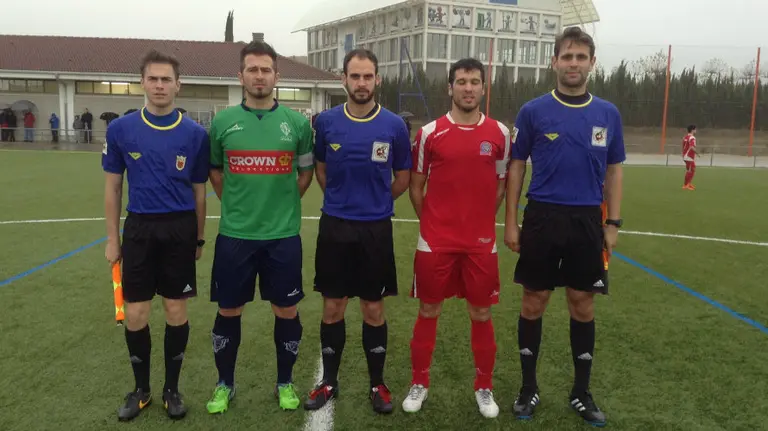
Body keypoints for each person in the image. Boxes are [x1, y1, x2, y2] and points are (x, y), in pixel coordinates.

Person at [503, 26, 625, 427]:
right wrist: (511, 221)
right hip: (542, 217)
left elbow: (614, 169)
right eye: (567, 56)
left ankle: (581, 391)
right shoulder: (533, 111)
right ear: (554, 62)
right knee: (533, 301)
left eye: (581, 57)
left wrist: (613, 223)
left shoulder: (607, 114)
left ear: (592, 63)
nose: (574, 64)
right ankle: (528, 388)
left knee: (582, 302)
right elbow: (516, 166)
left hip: (587, 220)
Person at [205, 40, 315, 414]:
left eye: (266, 69)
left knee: (286, 310)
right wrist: (236, 204)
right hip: (235, 235)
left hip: (282, 237)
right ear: (241, 76)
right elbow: (216, 171)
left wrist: (282, 203)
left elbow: (305, 173)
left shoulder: (297, 125)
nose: (259, 76)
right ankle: (225, 384)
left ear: (276, 76)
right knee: (228, 310)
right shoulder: (222, 123)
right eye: (252, 69)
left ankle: (285, 383)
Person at [102, 49, 209, 422]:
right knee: (136, 313)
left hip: (180, 229)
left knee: (176, 309)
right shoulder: (121, 129)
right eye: (153, 78)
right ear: (142, 83)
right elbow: (113, 187)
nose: (160, 85)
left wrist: (199, 238)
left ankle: (171, 389)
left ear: (178, 85)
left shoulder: (195, 134)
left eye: (166, 79)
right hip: (139, 229)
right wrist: (112, 239)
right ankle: (141, 389)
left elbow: (199, 192)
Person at [304, 48, 411, 414]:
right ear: (344, 80)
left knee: (373, 308)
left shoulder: (394, 125)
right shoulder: (326, 122)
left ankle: (377, 383)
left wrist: (376, 201)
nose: (362, 83)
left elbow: (403, 177)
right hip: (335, 226)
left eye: (368, 76)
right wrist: (342, 200)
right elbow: (321, 170)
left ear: (377, 79)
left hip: (375, 230)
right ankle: (329, 381)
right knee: (333, 306)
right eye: (355, 76)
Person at [402, 58, 510, 418]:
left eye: (474, 82)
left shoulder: (499, 133)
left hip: (480, 243)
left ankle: (484, 387)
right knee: (428, 309)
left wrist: (481, 222)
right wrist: (433, 224)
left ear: (483, 88)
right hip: (436, 242)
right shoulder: (430, 133)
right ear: (450, 87)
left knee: (481, 312)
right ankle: (419, 382)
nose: (468, 88)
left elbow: (500, 184)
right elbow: (416, 187)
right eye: (461, 81)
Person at [682, 125, 698, 190]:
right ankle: (686, 185)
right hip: (689, 156)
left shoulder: (685, 137)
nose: (696, 130)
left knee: (690, 170)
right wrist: (697, 153)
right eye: (695, 129)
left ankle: (688, 184)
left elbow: (684, 146)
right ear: (692, 130)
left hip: (685, 155)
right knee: (691, 170)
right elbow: (691, 147)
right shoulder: (692, 137)